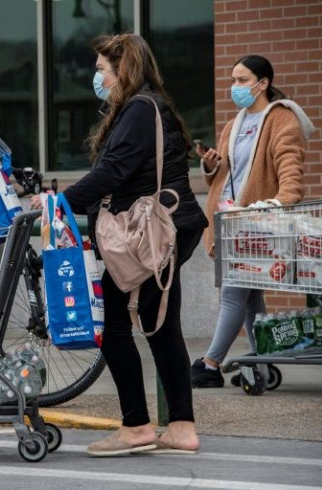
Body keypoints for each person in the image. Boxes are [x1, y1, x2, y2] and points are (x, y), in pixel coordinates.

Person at [32, 34, 207, 456]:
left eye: (100, 70)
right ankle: (180, 426)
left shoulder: (138, 110)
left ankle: (136, 427)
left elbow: (112, 172)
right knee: (162, 328)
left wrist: (59, 202)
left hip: (145, 236)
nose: (96, 77)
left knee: (113, 323)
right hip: (164, 231)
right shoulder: (152, 107)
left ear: (121, 70)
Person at [190, 55, 314, 388]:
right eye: (233, 80)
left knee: (232, 294)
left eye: (242, 80)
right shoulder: (236, 123)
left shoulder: (281, 119)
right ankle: (260, 363)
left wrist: (280, 201)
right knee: (250, 298)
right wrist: (212, 165)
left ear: (263, 84)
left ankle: (211, 363)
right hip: (233, 222)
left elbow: (291, 168)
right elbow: (227, 176)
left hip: (259, 221)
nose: (235, 87)